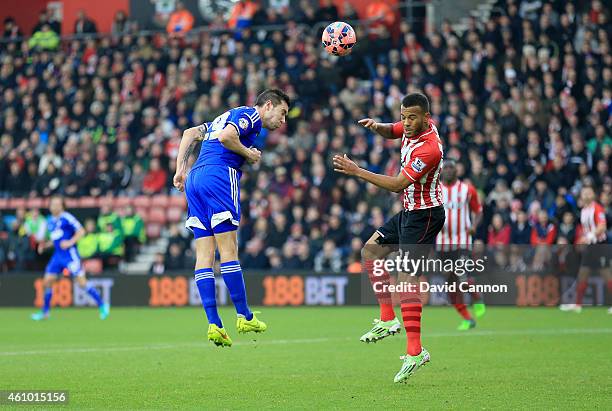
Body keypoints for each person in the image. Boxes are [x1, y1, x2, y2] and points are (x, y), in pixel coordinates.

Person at [333, 92, 445, 383]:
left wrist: (358, 171)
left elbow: (397, 185)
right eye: (403, 116)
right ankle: (387, 318)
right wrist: (377, 126)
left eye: (412, 117)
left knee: (407, 279)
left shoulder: (429, 148)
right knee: (370, 252)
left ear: (426, 117)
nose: (405, 123)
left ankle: (415, 351)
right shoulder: (409, 127)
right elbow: (392, 130)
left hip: (426, 216)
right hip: (410, 212)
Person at [173, 89, 289, 347]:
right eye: (282, 113)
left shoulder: (221, 117)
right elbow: (227, 137)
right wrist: (248, 153)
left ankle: (214, 324)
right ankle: (244, 315)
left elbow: (189, 133)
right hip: (219, 176)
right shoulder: (250, 115)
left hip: (195, 179)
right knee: (228, 250)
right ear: (268, 105)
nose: (283, 121)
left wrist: (180, 170)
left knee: (204, 255)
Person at [31, 196, 109, 321]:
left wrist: (70, 242)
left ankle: (102, 305)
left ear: (62, 206)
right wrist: (45, 245)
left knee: (82, 282)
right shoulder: (50, 221)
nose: (54, 206)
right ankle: (45, 312)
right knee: (47, 281)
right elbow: (55, 239)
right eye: (52, 204)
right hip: (57, 255)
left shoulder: (67, 217)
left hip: (69, 255)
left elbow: (81, 231)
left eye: (57, 204)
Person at [435, 158, 485, 331]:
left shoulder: (467, 190)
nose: (448, 170)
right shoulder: (435, 190)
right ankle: (467, 318)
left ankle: (476, 297)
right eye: (445, 167)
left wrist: (474, 226)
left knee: (462, 275)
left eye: (451, 168)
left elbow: (478, 211)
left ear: (457, 171)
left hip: (462, 240)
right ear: (441, 171)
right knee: (450, 284)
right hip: (441, 243)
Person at [560, 186, 611, 314]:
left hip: (600, 245)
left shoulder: (597, 208)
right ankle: (577, 305)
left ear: (593, 195)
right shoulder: (583, 211)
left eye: (589, 192)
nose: (587, 195)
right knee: (583, 273)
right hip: (590, 246)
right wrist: (583, 239)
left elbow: (602, 226)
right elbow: (586, 230)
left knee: (606, 274)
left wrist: (589, 236)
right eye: (584, 193)